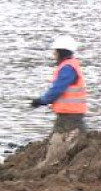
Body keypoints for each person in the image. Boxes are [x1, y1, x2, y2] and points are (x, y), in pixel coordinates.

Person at [30, 35, 88, 167]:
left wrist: (42, 100)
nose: (53, 54)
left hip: (69, 113)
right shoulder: (70, 65)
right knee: (80, 137)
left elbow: (57, 89)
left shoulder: (67, 68)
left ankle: (50, 165)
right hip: (72, 112)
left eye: (55, 51)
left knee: (59, 139)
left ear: (61, 51)